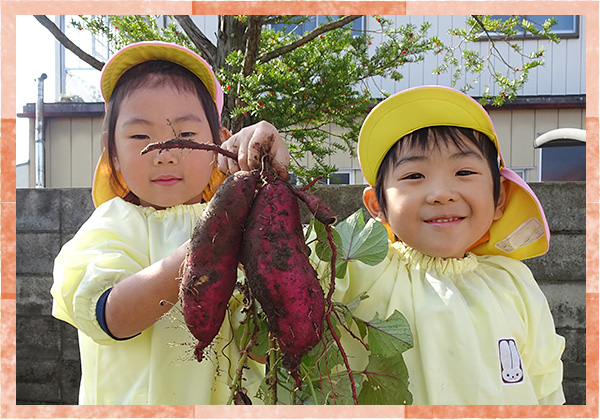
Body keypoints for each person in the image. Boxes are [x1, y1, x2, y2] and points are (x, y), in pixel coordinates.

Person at [51, 41, 289, 405]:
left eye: (187, 136)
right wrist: (208, 244)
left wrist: (266, 175)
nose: (164, 154)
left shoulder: (245, 222)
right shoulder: (110, 225)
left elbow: (270, 332)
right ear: (112, 154)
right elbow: (112, 316)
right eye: (140, 136)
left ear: (221, 145)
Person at [329, 85, 565, 404]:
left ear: (499, 198)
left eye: (464, 171)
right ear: (377, 205)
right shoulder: (354, 269)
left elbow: (545, 385)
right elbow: (283, 270)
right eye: (414, 175)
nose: (441, 192)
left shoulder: (514, 282)